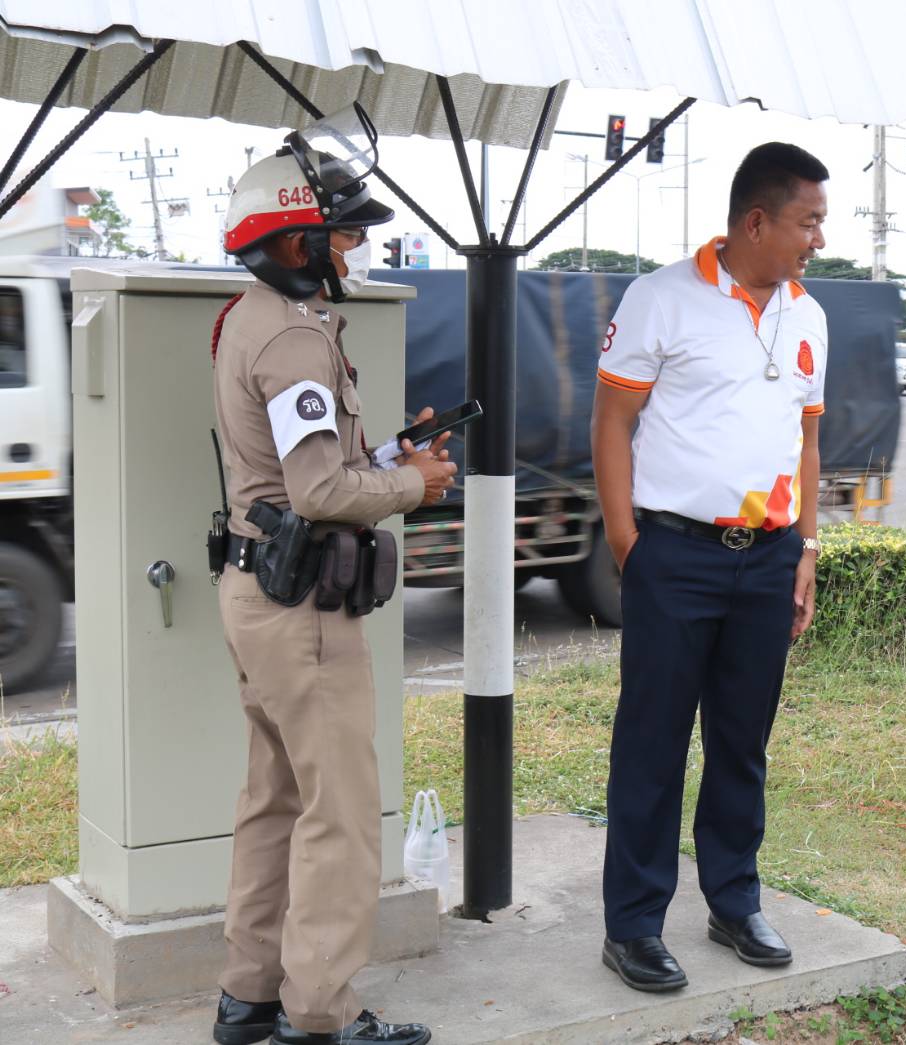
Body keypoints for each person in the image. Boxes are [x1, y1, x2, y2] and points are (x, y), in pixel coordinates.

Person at [209, 108, 455, 1045]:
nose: (354, 247)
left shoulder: (252, 320)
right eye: (343, 232)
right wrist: (415, 483)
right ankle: (319, 1014)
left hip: (259, 594)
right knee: (340, 813)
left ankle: (248, 999)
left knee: (274, 800)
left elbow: (299, 469)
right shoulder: (296, 338)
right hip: (303, 609)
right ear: (296, 241)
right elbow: (316, 492)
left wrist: (388, 454)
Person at [592, 142, 829, 992]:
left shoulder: (808, 314)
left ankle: (733, 900)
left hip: (767, 558)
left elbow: (806, 439)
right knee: (651, 743)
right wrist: (629, 543)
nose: (818, 239)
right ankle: (633, 925)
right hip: (675, 554)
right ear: (756, 221)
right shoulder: (661, 298)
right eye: (807, 222)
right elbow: (612, 422)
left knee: (741, 741)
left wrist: (806, 547)